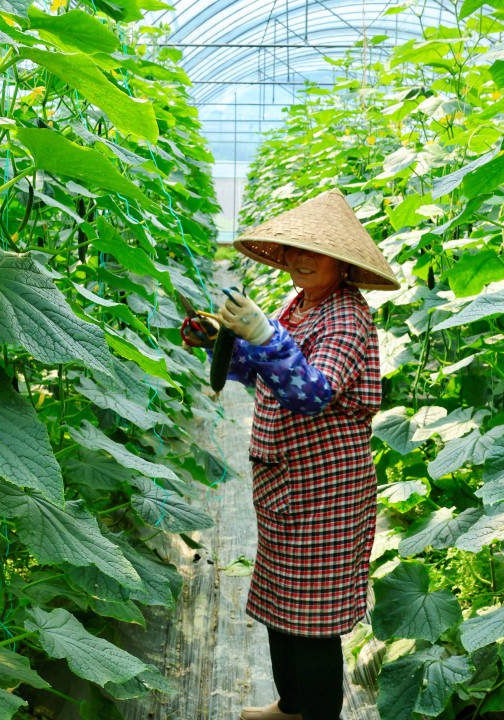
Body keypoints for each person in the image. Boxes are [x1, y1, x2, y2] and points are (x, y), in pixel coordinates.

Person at [181, 189, 400, 720]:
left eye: (314, 252)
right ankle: (292, 707)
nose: (300, 259)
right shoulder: (298, 306)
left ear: (342, 264)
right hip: (285, 481)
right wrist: (219, 340)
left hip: (327, 489)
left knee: (315, 621)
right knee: (283, 605)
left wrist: (260, 332)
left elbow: (311, 392)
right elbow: (259, 371)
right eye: (293, 248)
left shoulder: (346, 319)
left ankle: (317, 714)